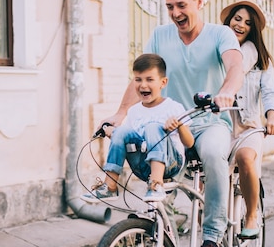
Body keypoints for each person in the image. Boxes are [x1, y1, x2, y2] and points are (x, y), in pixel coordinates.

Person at [102, 0, 244, 247]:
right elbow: (143, 80)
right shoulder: (160, 35)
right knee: (157, 183)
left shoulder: (221, 34)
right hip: (169, 128)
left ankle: (212, 237)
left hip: (208, 123)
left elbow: (235, 67)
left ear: (199, 1)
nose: (176, 13)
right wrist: (120, 113)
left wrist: (226, 92)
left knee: (215, 156)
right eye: (170, 6)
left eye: (182, 5)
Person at [81, 53, 195, 203]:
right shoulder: (134, 111)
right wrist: (113, 133)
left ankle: (156, 184)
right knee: (121, 131)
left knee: (153, 128)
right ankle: (110, 186)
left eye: (150, 80)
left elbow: (189, 143)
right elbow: (129, 137)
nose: (143, 85)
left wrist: (179, 126)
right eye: (138, 79)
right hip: (142, 166)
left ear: (163, 82)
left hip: (171, 164)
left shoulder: (173, 107)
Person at [220, 0, 274, 238]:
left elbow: (270, 93)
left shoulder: (260, 60)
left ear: (252, 29)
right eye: (237, 19)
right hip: (221, 126)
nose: (241, 25)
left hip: (248, 128)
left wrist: (272, 117)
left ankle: (252, 216)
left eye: (247, 22)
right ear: (228, 21)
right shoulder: (217, 52)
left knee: (245, 157)